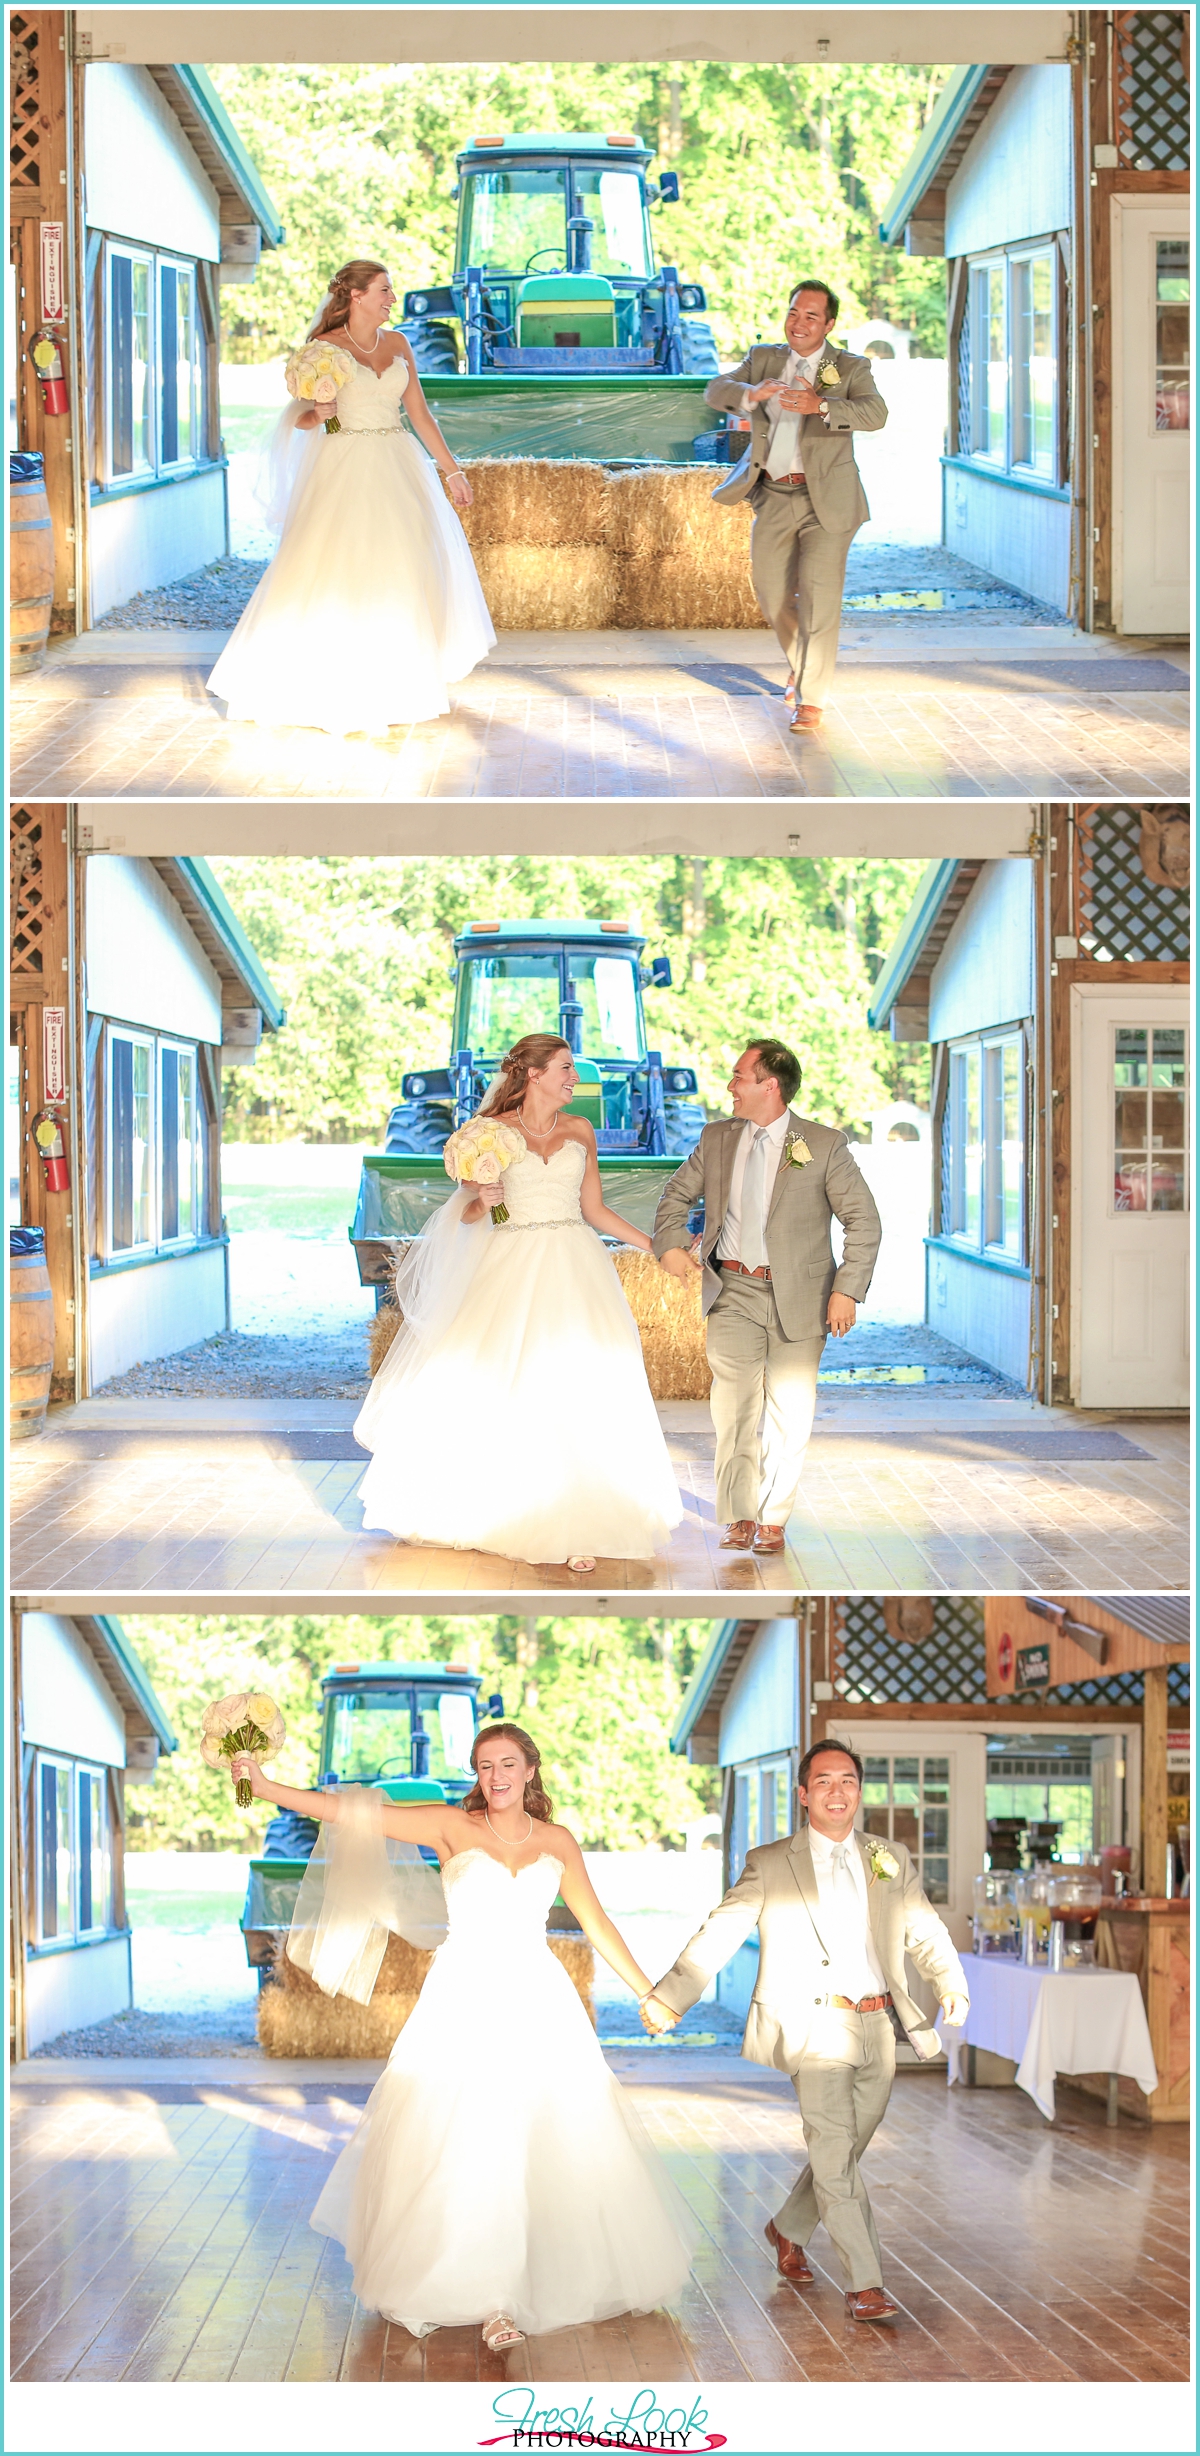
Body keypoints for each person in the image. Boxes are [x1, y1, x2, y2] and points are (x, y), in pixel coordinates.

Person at [230, 1722, 696, 2350]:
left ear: (530, 1769)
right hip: (464, 1994)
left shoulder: (558, 1841)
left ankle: (537, 2277)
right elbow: (351, 1811)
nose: (496, 1776)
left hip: (537, 1997)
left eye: (507, 1764)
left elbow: (597, 1921)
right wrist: (265, 1786)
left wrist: (649, 1990)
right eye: (484, 1766)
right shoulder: (452, 1827)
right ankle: (487, 2296)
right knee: (470, 2138)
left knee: (551, 2133)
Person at [641, 1739, 969, 2324]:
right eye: (824, 1781)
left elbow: (924, 1929)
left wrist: (950, 1983)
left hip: (877, 2025)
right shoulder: (771, 1862)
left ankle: (788, 2227)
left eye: (847, 1780)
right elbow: (719, 1932)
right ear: (803, 1794)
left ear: (859, 1792)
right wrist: (672, 1996)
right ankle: (865, 2283)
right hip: (813, 2023)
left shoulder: (888, 1857)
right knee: (836, 2154)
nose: (837, 1791)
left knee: (843, 2149)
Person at [354, 1033, 683, 1572]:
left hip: (576, 1264)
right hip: (510, 1264)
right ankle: (501, 1511)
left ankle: (584, 1520)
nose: (575, 1077)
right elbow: (464, 1216)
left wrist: (655, 1246)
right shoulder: (490, 1135)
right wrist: (482, 1200)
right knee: (510, 1385)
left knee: (581, 1390)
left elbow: (595, 1210)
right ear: (533, 1074)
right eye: (565, 1068)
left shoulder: (580, 1129)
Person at [206, 260, 495, 734]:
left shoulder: (399, 343)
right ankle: (324, 682)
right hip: (342, 463)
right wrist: (323, 414)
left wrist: (452, 471)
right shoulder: (325, 349)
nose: (392, 298)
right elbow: (305, 420)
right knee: (336, 566)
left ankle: (397, 681)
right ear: (357, 295)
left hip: (397, 462)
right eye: (384, 290)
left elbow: (419, 414)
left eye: (391, 290)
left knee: (403, 566)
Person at [651, 1037, 881, 1556]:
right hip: (731, 1289)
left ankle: (772, 1518)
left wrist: (847, 1289)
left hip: (802, 1296)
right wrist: (668, 1244)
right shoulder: (716, 1138)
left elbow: (863, 1220)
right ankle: (737, 1516)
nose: (730, 1086)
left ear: (768, 1085)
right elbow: (676, 1194)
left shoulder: (823, 1145)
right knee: (733, 1409)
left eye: (738, 1076)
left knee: (789, 1412)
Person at [703, 279, 886, 732]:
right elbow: (714, 390)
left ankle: (812, 700)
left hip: (829, 501)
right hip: (774, 494)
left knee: (819, 601)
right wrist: (752, 394)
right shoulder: (764, 358)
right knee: (772, 593)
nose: (798, 323)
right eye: (793, 313)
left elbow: (875, 414)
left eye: (810, 316)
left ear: (829, 324)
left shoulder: (850, 366)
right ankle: (803, 666)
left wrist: (820, 404)